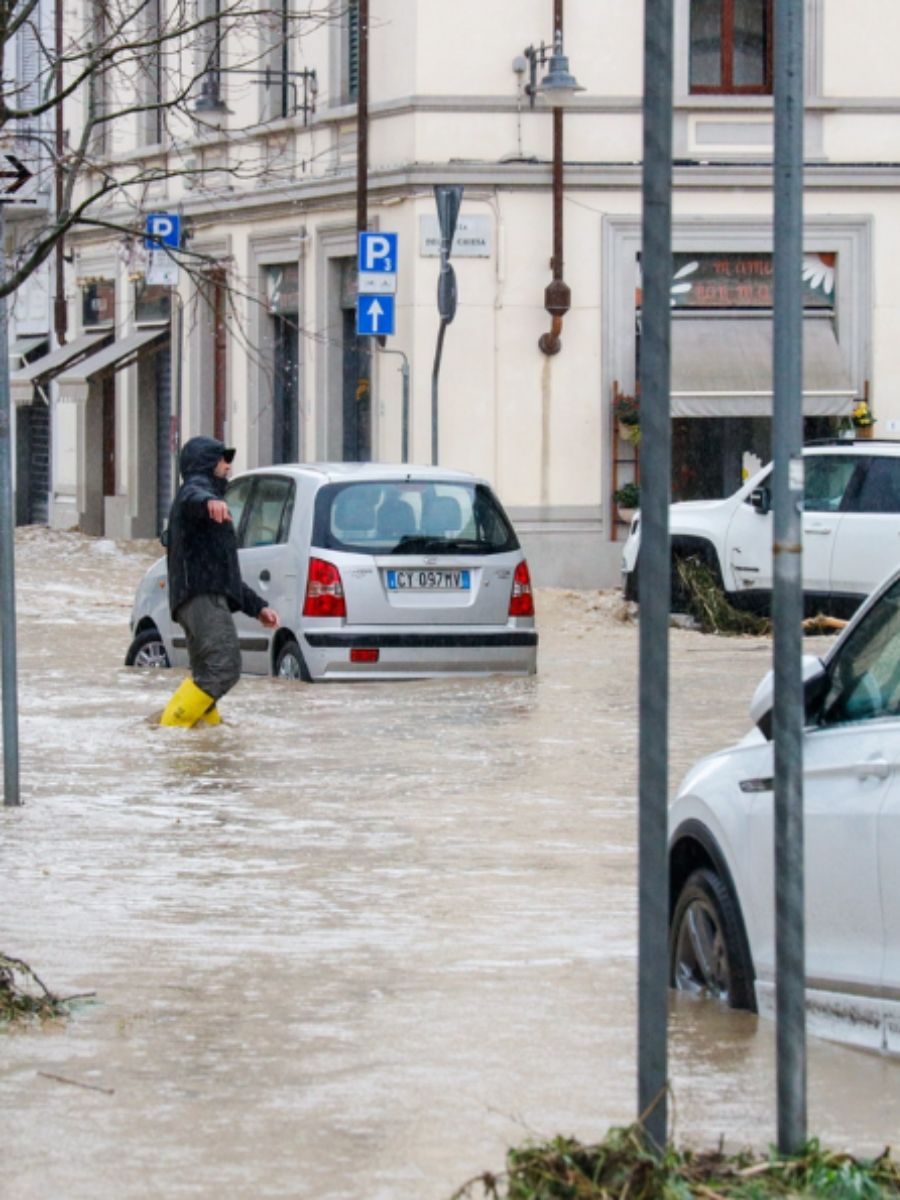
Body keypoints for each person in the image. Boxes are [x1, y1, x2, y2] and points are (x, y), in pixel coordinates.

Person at [159, 436, 279, 727]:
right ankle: (168, 730)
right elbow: (192, 496)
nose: (228, 466)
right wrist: (209, 500)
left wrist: (257, 607)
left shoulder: (210, 504)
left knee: (206, 676)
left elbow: (226, 574)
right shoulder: (195, 492)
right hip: (201, 599)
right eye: (223, 460)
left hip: (201, 597)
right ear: (206, 464)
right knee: (224, 667)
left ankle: (203, 744)